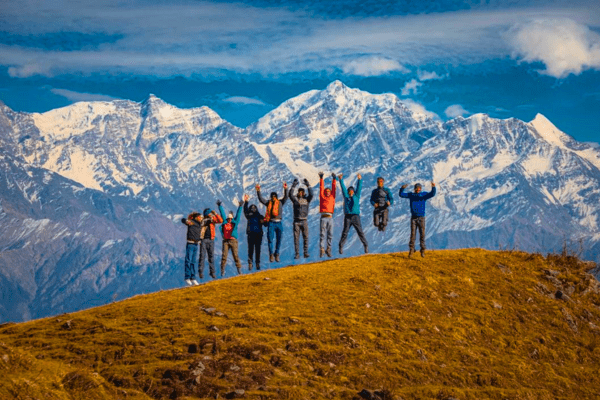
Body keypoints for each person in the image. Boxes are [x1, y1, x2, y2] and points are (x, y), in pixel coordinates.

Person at [399, 182, 437, 257]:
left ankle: (422, 250)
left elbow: (432, 194)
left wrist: (433, 187)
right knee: (413, 235)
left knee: (422, 235)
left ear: (421, 189)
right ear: (415, 189)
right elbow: (401, 195)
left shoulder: (423, 195)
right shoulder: (411, 195)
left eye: (419, 188)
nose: (418, 190)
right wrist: (402, 188)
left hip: (421, 218)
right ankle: (411, 250)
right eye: (417, 188)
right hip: (413, 218)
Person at [257, 182, 289, 262]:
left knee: (277, 239)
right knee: (272, 239)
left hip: (276, 223)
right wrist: (258, 191)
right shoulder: (276, 202)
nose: (273, 198)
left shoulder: (277, 202)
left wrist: (285, 189)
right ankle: (272, 254)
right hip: (273, 223)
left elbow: (286, 196)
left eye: (274, 197)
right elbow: (261, 199)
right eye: (273, 197)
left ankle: (275, 254)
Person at [338, 173, 368, 255]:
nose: (351, 192)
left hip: (355, 216)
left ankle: (365, 245)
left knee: (360, 231)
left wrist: (359, 179)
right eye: (349, 191)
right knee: (345, 232)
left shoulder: (357, 196)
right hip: (347, 217)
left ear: (353, 192)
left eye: (352, 191)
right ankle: (340, 246)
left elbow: (359, 188)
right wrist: (340, 180)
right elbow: (343, 189)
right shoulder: (346, 197)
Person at [289, 178, 314, 259]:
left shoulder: (307, 199)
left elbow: (312, 194)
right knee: (296, 239)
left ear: (304, 193)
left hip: (304, 220)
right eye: (299, 191)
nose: (301, 193)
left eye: (302, 192)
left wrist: (308, 185)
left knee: (306, 237)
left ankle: (305, 253)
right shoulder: (295, 199)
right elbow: (290, 195)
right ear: (298, 192)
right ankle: (297, 254)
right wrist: (294, 185)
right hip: (296, 221)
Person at [218, 199, 244, 276]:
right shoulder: (225, 222)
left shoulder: (234, 223)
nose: (229, 219)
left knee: (235, 255)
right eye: (228, 218)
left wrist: (240, 206)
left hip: (233, 241)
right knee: (224, 256)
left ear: (232, 218)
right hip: (226, 241)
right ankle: (222, 270)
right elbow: (222, 213)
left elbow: (238, 215)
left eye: (230, 218)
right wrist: (220, 206)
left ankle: (239, 270)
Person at [199, 207, 223, 279]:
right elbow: (202, 223)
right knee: (202, 256)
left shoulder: (212, 219)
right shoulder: (203, 220)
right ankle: (201, 272)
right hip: (203, 240)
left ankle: (212, 272)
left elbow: (220, 220)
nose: (211, 214)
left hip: (211, 240)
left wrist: (215, 214)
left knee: (211, 256)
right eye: (210, 213)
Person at [243, 194, 264, 271]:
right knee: (251, 249)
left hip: (258, 234)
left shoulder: (259, 216)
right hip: (251, 234)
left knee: (257, 249)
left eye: (254, 208)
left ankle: (257, 263)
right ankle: (251, 262)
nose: (253, 209)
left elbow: (265, 223)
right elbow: (245, 210)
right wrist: (246, 202)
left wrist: (264, 221)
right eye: (252, 208)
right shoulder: (249, 215)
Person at [181, 212, 203, 286]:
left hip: (196, 244)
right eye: (200, 217)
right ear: (196, 217)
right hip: (190, 244)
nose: (201, 218)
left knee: (193, 262)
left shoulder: (200, 225)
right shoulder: (191, 222)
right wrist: (186, 221)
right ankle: (187, 277)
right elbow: (183, 220)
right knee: (188, 260)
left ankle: (193, 278)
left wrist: (199, 240)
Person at [319, 172, 337, 258]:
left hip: (330, 217)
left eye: (329, 191)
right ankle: (322, 249)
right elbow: (321, 188)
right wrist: (321, 179)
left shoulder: (332, 197)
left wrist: (334, 179)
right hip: (323, 217)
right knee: (322, 234)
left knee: (330, 234)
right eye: (327, 191)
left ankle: (328, 249)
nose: (328, 192)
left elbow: (334, 189)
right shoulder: (322, 197)